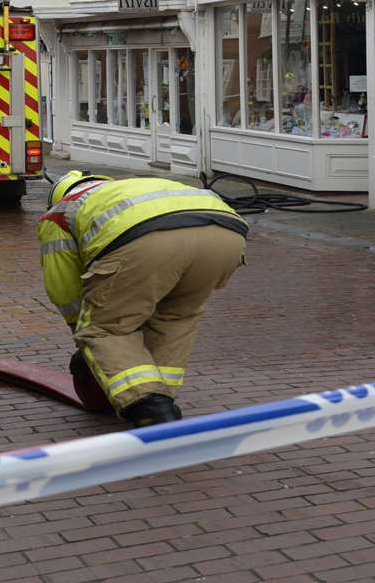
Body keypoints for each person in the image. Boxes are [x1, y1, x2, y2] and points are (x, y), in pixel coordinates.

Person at [39, 171, 248, 427]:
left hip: (148, 239)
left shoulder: (61, 212)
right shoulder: (127, 189)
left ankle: (149, 404)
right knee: (175, 319)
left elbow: (64, 286)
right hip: (227, 236)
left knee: (105, 329)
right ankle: (162, 398)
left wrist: (84, 333)